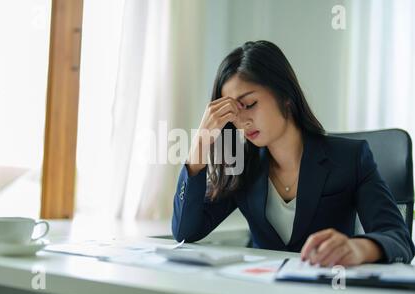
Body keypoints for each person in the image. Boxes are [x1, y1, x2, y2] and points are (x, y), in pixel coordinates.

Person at [172, 40, 414, 267]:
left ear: (285, 96)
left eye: (249, 104)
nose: (242, 121)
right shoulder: (242, 166)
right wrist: (200, 145)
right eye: (233, 113)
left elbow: (398, 238)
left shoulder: (351, 158)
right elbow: (186, 232)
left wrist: (357, 249)